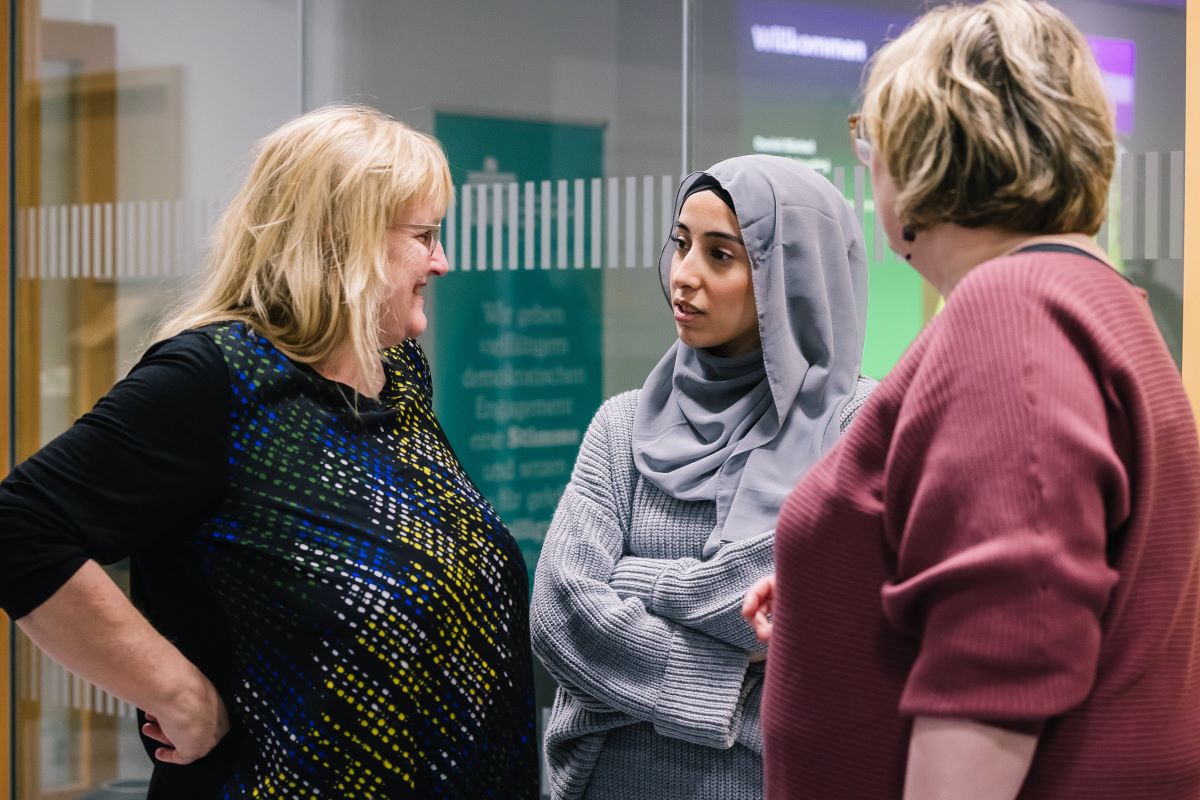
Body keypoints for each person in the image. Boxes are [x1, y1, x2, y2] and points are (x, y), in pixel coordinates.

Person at [0, 103, 538, 799]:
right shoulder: (215, 379)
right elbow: (20, 528)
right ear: (342, 242)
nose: (441, 261)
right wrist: (177, 695)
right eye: (424, 235)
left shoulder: (395, 375)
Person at [744, 2, 1200, 798]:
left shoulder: (1012, 317)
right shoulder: (1098, 303)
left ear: (924, 154)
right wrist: (840, 589)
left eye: (871, 142)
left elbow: (1004, 659)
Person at [530, 154, 874, 799]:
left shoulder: (860, 426)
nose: (683, 276)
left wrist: (629, 577)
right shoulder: (622, 423)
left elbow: (799, 605)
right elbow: (559, 614)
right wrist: (727, 679)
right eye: (682, 245)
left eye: (722, 255)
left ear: (793, 274)